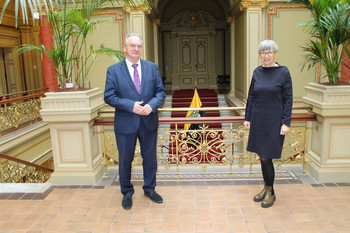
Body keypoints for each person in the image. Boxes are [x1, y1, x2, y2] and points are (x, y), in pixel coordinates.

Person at [104, 33, 166, 210]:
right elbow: (109, 96)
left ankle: (149, 189)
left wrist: (152, 106)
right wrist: (130, 105)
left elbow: (160, 93)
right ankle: (127, 192)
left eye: (139, 46)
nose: (136, 49)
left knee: (150, 159)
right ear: (125, 48)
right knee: (125, 160)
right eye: (132, 46)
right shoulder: (113, 71)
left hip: (148, 122)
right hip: (126, 124)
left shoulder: (152, 68)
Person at [244, 40, 293, 208]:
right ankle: (266, 187)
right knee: (261, 155)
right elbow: (251, 96)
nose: (266, 55)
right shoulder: (257, 72)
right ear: (260, 55)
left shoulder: (283, 72)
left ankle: (271, 191)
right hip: (258, 120)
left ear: (275, 54)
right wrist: (247, 118)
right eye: (263, 53)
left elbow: (288, 99)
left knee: (266, 157)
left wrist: (286, 122)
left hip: (274, 121)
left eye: (269, 52)